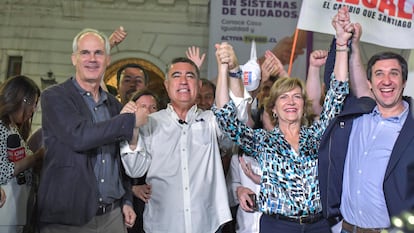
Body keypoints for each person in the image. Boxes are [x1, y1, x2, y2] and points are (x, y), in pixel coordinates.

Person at [213, 15, 351, 232]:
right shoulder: (262, 141)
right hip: (278, 226)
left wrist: (342, 44)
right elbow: (225, 117)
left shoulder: (316, 134)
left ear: (303, 105)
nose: (291, 102)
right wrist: (224, 69)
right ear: (274, 109)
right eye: (283, 97)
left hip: (318, 225)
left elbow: (338, 91)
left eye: (296, 96)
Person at [120, 49, 251, 233]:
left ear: (197, 85)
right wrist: (133, 129)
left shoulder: (211, 121)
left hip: (206, 224)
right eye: (176, 75)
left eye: (189, 76)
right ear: (166, 85)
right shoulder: (151, 122)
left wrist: (234, 71)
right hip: (162, 224)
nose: (183, 81)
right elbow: (134, 168)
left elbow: (239, 115)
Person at [37, 28, 145, 233]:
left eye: (98, 53)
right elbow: (80, 136)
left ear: (107, 60)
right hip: (68, 219)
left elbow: (119, 159)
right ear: (74, 59)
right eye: (85, 53)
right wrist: (130, 121)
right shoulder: (55, 97)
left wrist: (127, 200)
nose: (92, 59)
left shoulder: (114, 105)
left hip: (112, 217)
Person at [318, 6, 414, 233]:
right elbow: (338, 81)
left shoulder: (410, 126)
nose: (386, 80)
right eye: (379, 74)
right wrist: (343, 42)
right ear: (370, 83)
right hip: (346, 229)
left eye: (394, 73)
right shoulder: (357, 117)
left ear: (404, 82)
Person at [0, 75, 44, 233]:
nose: (33, 110)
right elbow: (3, 170)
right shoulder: (2, 127)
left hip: (16, 214)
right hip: (5, 213)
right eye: (33, 103)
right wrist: (36, 157)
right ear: (23, 100)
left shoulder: (13, 129)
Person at [128, 89, 159, 233]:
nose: (148, 112)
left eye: (153, 107)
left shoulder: (162, 135)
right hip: (131, 206)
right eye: (143, 107)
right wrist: (132, 189)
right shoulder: (122, 136)